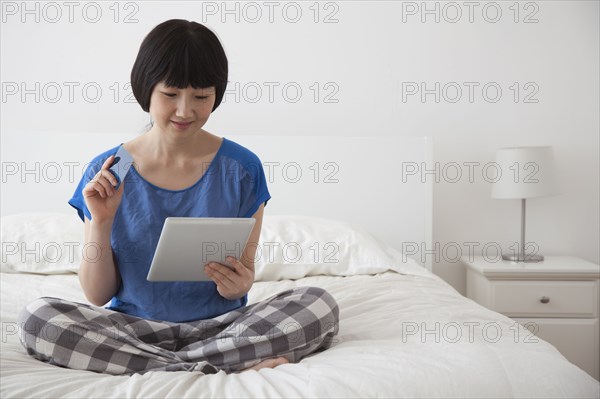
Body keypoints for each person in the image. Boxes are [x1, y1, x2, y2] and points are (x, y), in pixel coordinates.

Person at [18, 19, 339, 375]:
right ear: (146, 89)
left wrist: (241, 284)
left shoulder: (242, 168)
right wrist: (102, 222)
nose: (186, 111)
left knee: (317, 305)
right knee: (39, 320)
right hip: (134, 331)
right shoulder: (109, 169)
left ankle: (166, 367)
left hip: (224, 327)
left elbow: (244, 275)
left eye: (201, 96)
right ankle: (209, 367)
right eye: (171, 95)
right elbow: (97, 295)